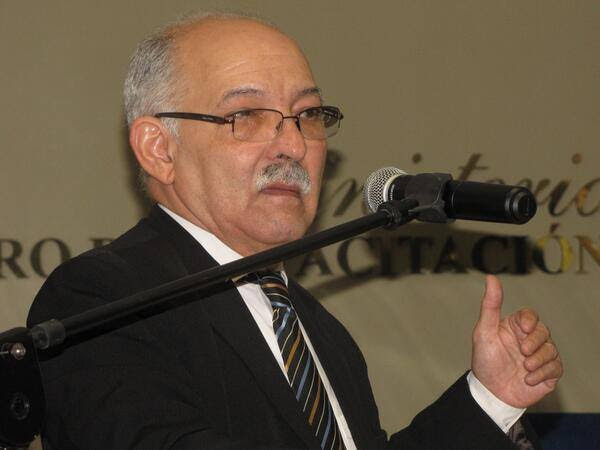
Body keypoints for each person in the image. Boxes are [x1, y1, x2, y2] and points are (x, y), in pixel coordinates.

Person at [28, 11, 563, 450]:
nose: (292, 145)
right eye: (246, 115)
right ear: (158, 149)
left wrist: (489, 398)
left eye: (307, 115)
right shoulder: (102, 299)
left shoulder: (318, 330)